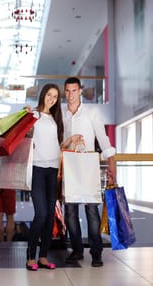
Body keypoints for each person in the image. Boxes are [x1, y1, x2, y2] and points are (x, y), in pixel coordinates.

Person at [61, 76, 116, 267]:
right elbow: (59, 142)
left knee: (91, 210)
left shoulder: (91, 112)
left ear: (80, 91)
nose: (70, 95)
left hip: (88, 165)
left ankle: (96, 252)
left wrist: (111, 162)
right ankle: (76, 250)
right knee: (70, 211)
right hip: (69, 166)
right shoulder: (61, 114)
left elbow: (102, 138)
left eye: (74, 90)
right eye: (67, 91)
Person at [26, 83, 64, 271]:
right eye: (49, 94)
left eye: (55, 96)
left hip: (53, 169)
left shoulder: (56, 118)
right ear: (43, 95)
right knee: (40, 213)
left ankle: (43, 256)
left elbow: (57, 142)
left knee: (50, 215)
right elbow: (23, 136)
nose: (52, 99)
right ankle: (30, 256)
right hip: (37, 169)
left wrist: (69, 142)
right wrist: (24, 116)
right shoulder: (33, 114)